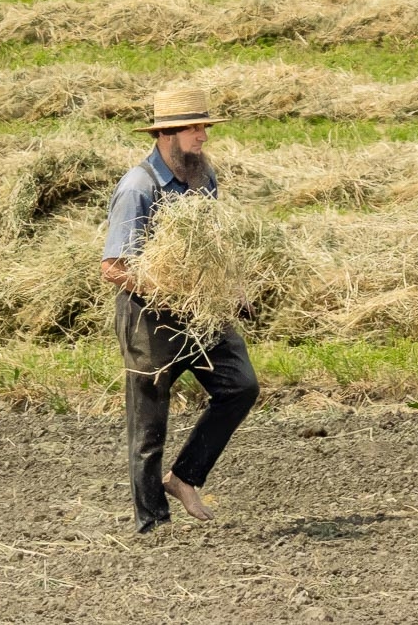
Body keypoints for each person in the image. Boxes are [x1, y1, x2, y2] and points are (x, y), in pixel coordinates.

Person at [100, 87, 260, 534]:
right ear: (166, 133)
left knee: (241, 387)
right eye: (194, 127)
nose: (203, 136)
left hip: (202, 312)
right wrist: (169, 293)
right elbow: (113, 268)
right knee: (148, 426)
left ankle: (185, 477)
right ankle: (153, 524)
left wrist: (236, 287)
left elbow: (214, 245)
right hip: (150, 319)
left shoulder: (203, 178)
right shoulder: (138, 188)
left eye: (204, 127)